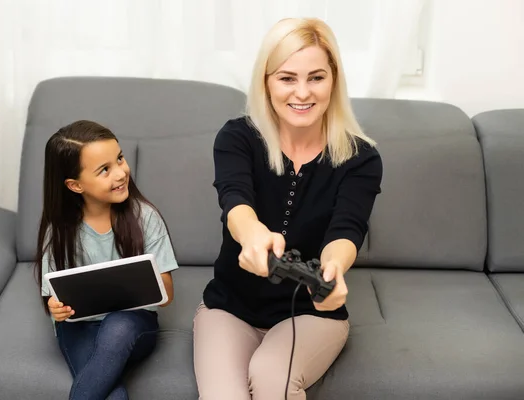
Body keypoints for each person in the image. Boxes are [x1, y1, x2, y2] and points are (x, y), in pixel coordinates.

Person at [193, 17, 383, 400]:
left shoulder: (361, 157)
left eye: (316, 77)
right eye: (286, 78)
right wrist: (253, 236)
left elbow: (346, 230)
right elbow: (236, 203)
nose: (302, 92)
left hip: (312, 316)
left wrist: (334, 269)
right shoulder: (238, 137)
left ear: (334, 80)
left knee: (271, 378)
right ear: (266, 82)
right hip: (229, 309)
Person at [34, 120, 178, 400]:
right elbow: (52, 297)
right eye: (104, 170)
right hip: (79, 328)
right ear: (75, 185)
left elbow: (167, 294)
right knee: (113, 396)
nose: (121, 173)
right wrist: (56, 308)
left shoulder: (144, 217)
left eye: (120, 159)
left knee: (118, 326)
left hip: (133, 326)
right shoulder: (59, 230)